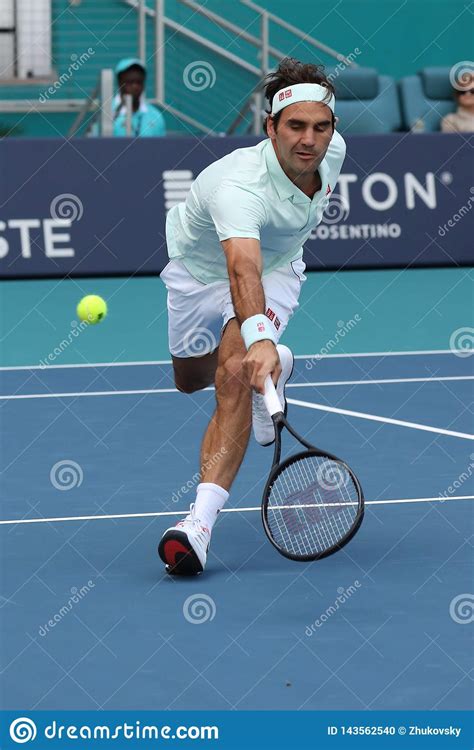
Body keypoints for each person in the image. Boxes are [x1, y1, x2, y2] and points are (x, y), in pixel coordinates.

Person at [158, 57, 346, 575]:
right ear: (270, 127)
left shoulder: (335, 154)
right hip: (200, 273)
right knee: (190, 379)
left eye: (321, 126)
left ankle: (197, 525)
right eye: (295, 126)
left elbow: (258, 274)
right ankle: (276, 364)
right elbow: (240, 269)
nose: (309, 140)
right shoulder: (237, 184)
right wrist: (264, 339)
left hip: (278, 271)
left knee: (233, 375)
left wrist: (252, 336)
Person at [112, 58, 166, 137]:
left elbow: (162, 147)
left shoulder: (155, 116)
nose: (135, 86)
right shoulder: (105, 113)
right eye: (130, 82)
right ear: (120, 82)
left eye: (139, 82)